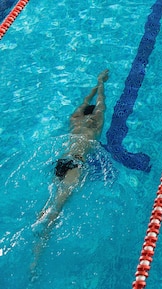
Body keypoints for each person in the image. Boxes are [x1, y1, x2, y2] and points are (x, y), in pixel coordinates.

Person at [31, 69, 109, 274]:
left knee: (52, 198)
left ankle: (43, 218)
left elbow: (86, 102)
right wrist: (102, 84)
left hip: (61, 160)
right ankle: (37, 254)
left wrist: (95, 84)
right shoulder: (96, 122)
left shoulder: (75, 119)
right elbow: (101, 104)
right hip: (76, 164)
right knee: (58, 208)